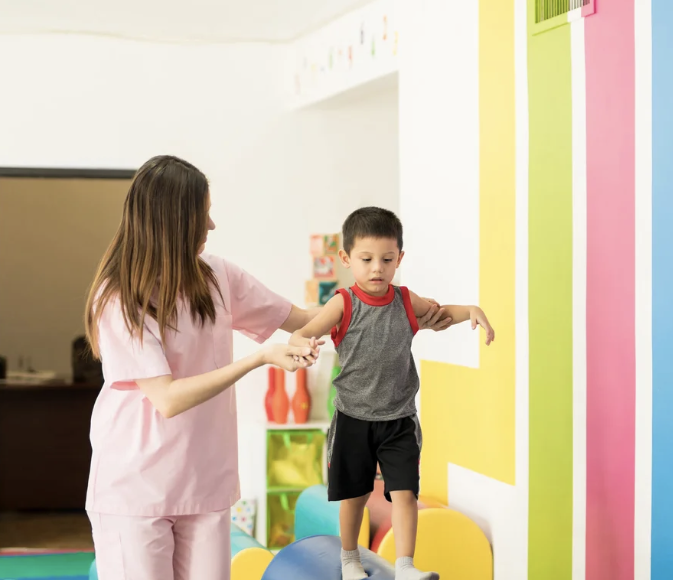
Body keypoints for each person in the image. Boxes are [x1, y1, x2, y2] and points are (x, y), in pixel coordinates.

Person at [83, 158, 454, 580]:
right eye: (203, 213)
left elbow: (305, 318)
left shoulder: (218, 276)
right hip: (137, 485)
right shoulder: (119, 299)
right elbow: (167, 398)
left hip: (203, 480)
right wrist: (258, 357)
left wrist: (397, 310)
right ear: (173, 221)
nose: (212, 224)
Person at [289, 207, 495, 580]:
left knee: (405, 494)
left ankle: (405, 566)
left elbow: (440, 316)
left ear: (399, 258)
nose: (377, 269)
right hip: (354, 417)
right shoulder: (343, 303)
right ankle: (349, 559)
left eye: (387, 259)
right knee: (354, 496)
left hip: (398, 419)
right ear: (346, 258)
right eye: (366, 260)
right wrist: (299, 344)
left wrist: (471, 311)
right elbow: (307, 330)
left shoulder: (404, 300)